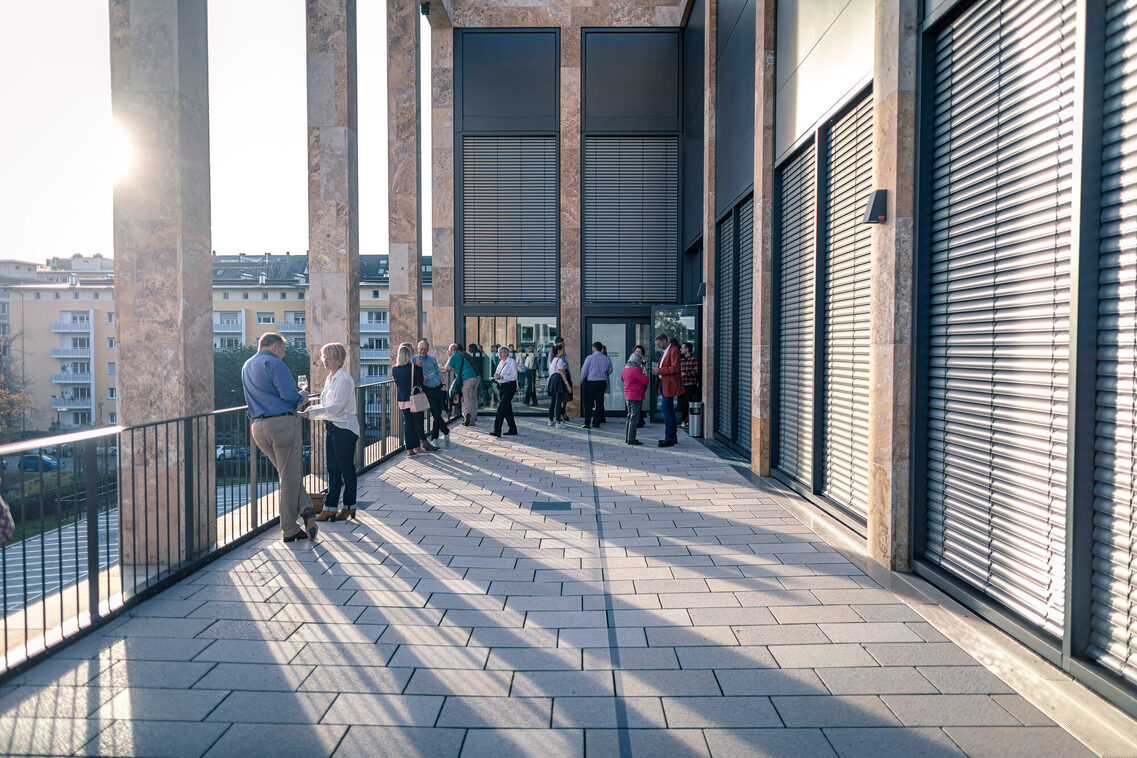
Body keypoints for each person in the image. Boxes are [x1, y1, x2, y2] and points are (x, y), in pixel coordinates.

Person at [241, 332, 318, 542]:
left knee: (287, 474)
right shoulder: (274, 363)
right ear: (275, 347)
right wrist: (302, 396)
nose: (283, 354)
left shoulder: (247, 365)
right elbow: (289, 395)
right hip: (282, 424)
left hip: (257, 426)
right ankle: (290, 529)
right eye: (283, 350)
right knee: (289, 477)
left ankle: (307, 509)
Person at [301, 342, 359, 522]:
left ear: (337, 359)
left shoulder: (344, 379)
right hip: (333, 426)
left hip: (345, 428)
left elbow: (336, 408)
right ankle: (330, 508)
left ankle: (349, 506)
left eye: (328, 357)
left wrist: (312, 414)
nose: (324, 360)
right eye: (323, 357)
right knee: (332, 468)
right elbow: (326, 404)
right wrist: (312, 408)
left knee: (346, 468)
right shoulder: (330, 378)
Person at [392, 342, 426, 457]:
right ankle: (417, 447)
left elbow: (398, 383)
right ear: (408, 356)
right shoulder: (412, 367)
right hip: (413, 399)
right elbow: (420, 380)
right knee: (415, 423)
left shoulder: (394, 369)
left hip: (402, 399)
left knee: (407, 423)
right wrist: (420, 367)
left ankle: (409, 449)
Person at [415, 340, 449, 448]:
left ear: (428, 349)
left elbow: (438, 372)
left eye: (424, 349)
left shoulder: (432, 359)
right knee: (435, 413)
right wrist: (421, 379)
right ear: (417, 349)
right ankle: (445, 431)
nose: (422, 351)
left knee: (437, 414)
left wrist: (443, 384)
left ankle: (435, 438)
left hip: (438, 388)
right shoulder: (414, 359)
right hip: (427, 390)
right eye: (420, 349)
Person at [653, 333, 681, 447]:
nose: (658, 346)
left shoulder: (674, 350)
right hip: (663, 383)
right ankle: (672, 437)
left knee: (666, 410)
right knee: (668, 410)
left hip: (669, 385)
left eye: (659, 344)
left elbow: (675, 368)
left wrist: (659, 371)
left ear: (664, 340)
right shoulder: (665, 351)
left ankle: (669, 438)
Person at [579, 342, 612, 429]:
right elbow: (610, 371)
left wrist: (581, 379)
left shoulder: (589, 358)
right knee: (599, 403)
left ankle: (587, 423)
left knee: (588, 404)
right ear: (601, 349)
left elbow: (584, 370)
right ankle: (596, 423)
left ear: (594, 348)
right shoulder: (606, 358)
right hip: (602, 382)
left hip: (591, 383)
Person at [448, 343, 480, 426]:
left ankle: (467, 414)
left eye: (449, 351)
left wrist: (449, 358)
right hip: (474, 377)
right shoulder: (462, 355)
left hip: (466, 378)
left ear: (452, 350)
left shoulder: (455, 356)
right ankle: (473, 419)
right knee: (472, 399)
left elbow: (447, 367)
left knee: (466, 399)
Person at [622, 352, 649, 445]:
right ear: (637, 360)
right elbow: (645, 381)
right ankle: (631, 439)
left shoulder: (626, 367)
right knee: (634, 418)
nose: (641, 362)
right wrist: (645, 373)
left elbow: (622, 378)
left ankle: (628, 438)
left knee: (629, 416)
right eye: (640, 360)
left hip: (627, 395)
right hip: (635, 396)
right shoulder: (636, 369)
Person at [491, 346, 519, 437]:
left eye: (501, 352)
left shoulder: (511, 362)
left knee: (501, 408)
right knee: (507, 409)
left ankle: (497, 430)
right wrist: (496, 376)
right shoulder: (500, 363)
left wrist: (501, 377)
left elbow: (514, 376)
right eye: (498, 352)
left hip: (509, 386)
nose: (499, 354)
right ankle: (513, 429)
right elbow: (497, 373)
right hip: (501, 386)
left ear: (506, 353)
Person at [546, 344, 569, 429]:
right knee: (558, 402)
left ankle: (550, 420)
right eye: (563, 350)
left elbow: (551, 372)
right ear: (559, 351)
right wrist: (567, 384)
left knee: (553, 401)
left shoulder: (552, 360)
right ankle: (558, 422)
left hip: (552, 380)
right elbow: (562, 373)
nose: (564, 352)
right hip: (558, 381)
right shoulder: (559, 360)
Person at [679, 342, 700, 431]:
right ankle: (684, 421)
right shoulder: (681, 360)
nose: (681, 349)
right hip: (682, 385)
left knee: (687, 401)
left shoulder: (694, 359)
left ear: (687, 349)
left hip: (691, 385)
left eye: (682, 348)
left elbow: (696, 371)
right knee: (681, 404)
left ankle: (689, 421)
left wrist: (685, 374)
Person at [633, 345, 649, 428]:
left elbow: (646, 370)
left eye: (639, 351)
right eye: (636, 351)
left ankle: (639, 420)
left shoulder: (644, 361)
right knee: (636, 403)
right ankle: (640, 420)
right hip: (634, 383)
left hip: (641, 383)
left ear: (642, 353)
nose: (638, 353)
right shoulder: (631, 360)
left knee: (638, 402)